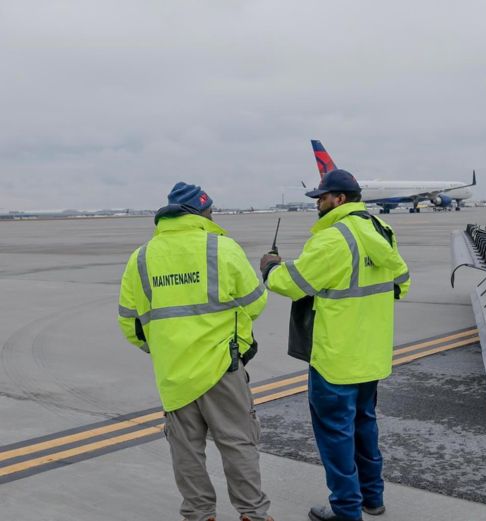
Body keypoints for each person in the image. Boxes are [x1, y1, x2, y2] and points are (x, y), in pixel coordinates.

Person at [260, 169, 410, 521]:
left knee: (335, 435)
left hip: (335, 358)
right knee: (364, 424)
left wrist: (270, 268)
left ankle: (345, 510)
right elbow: (401, 282)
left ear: (339, 199)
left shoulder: (332, 238)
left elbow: (293, 284)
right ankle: (372, 498)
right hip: (370, 354)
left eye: (321, 197)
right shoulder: (381, 231)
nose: (317, 203)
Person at [118, 182, 273, 521]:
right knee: (237, 443)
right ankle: (252, 514)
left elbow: (130, 323)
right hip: (222, 367)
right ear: (201, 213)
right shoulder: (221, 248)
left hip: (174, 373)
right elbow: (256, 302)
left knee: (186, 450)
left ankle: (200, 514)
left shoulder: (141, 257)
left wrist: (162, 348)